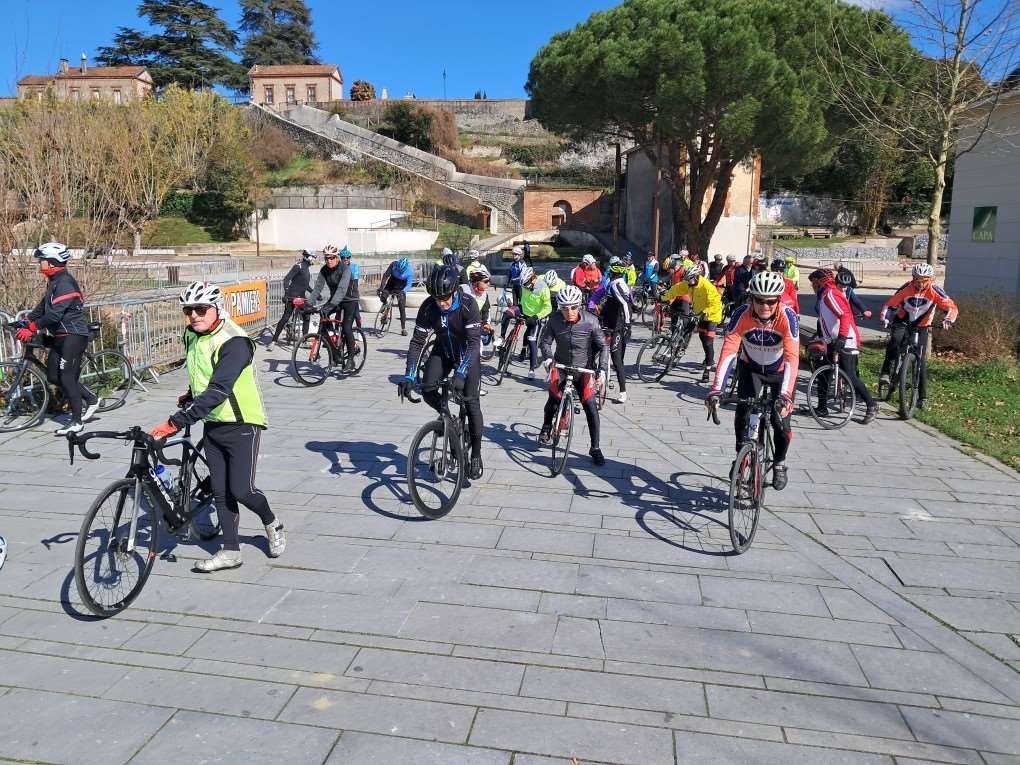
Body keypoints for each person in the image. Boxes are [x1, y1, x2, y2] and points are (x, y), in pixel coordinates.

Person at [150, 281, 284, 572]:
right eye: (188, 310)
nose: (194, 316)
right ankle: (231, 551)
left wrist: (174, 423)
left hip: (242, 423)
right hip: (212, 421)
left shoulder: (235, 342)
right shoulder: (192, 334)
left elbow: (219, 389)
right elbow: (202, 370)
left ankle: (272, 522)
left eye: (201, 309)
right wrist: (191, 393)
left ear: (217, 308)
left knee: (242, 490)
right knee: (221, 492)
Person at [706, 271, 799, 491]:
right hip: (751, 369)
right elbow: (729, 350)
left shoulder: (787, 317)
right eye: (759, 300)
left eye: (770, 301)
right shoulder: (742, 314)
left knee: (780, 423)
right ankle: (741, 456)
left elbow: (792, 357)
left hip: (779, 373)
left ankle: (779, 463)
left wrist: (785, 395)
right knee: (743, 414)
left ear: (778, 300)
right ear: (751, 298)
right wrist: (716, 389)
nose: (765, 306)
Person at [398, 265, 485, 480]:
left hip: (467, 354)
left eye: (445, 298)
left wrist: (461, 373)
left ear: (454, 291)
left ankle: (476, 454)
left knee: (471, 403)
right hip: (443, 350)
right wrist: (409, 375)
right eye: (437, 299)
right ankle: (449, 420)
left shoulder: (468, 304)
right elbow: (417, 342)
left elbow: (474, 344)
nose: (442, 303)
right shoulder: (429, 307)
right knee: (427, 389)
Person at [14, 242, 100, 435]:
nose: (39, 263)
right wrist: (25, 321)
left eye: (41, 260)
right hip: (60, 336)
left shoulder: (65, 284)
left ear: (52, 263)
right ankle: (91, 399)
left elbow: (54, 315)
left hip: (73, 336)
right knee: (54, 377)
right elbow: (42, 307)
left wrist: (32, 328)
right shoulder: (54, 282)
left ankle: (77, 422)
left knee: (67, 378)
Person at [538, 285, 609, 466]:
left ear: (580, 305)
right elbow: (545, 342)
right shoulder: (554, 320)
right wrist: (548, 358)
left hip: (583, 368)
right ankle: (547, 426)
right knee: (554, 398)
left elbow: (603, 346)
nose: (569, 312)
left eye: (573, 307)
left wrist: (602, 370)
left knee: (590, 406)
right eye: (564, 308)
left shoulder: (591, 321)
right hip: (561, 366)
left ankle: (595, 447)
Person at [878, 263, 958, 409]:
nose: (920, 283)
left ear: (931, 279)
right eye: (917, 280)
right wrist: (885, 318)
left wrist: (948, 320)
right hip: (902, 321)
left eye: (924, 280)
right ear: (913, 278)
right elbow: (890, 305)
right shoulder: (906, 288)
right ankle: (886, 373)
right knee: (895, 339)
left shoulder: (935, 290)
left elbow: (952, 307)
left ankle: (923, 398)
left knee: (920, 361)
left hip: (922, 326)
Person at [810, 269, 877, 424]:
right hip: (832, 340)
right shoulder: (827, 293)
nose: (812, 286)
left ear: (819, 282)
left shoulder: (830, 294)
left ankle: (871, 404)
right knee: (823, 373)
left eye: (813, 283)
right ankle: (822, 407)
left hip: (846, 340)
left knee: (849, 375)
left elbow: (845, 315)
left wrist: (842, 337)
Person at [660, 264, 724, 383]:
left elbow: (715, 304)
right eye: (687, 280)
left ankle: (707, 368)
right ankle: (682, 351)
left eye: (690, 280)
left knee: (708, 342)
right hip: (698, 313)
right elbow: (676, 289)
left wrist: (703, 314)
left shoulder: (707, 286)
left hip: (712, 316)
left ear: (696, 277)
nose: (688, 283)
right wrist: (664, 298)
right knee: (701, 338)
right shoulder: (689, 284)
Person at [589, 258, 633, 403]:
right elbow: (607, 301)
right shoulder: (617, 283)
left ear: (613, 273)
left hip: (616, 327)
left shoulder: (616, 285)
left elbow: (625, 304)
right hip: (607, 323)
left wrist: (627, 325)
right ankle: (617, 389)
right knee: (612, 358)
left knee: (615, 359)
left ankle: (622, 391)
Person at [496, 265, 552, 379]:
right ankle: (502, 337)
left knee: (531, 340)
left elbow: (548, 307)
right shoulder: (523, 283)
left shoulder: (543, 288)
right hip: (522, 309)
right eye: (523, 284)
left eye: (526, 283)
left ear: (532, 278)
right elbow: (516, 290)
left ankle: (531, 369)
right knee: (507, 313)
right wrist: (514, 304)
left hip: (534, 316)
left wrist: (536, 317)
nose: (524, 286)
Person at [310, 244, 359, 373]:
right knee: (323, 316)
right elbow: (317, 288)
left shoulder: (345, 269)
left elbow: (342, 289)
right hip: (335, 300)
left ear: (337, 257)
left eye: (331, 258)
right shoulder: (324, 270)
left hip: (350, 300)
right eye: (326, 258)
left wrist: (331, 305)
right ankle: (334, 349)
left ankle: (351, 360)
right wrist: (308, 304)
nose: (329, 260)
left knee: (347, 327)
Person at [271, 249, 316, 345]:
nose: (314, 260)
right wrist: (286, 294)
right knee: (285, 317)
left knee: (306, 316)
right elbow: (286, 279)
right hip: (292, 296)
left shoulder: (306, 269)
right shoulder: (298, 266)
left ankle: (304, 340)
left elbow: (305, 285)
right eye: (313, 257)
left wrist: (314, 293)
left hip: (301, 297)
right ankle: (274, 340)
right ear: (308, 257)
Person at [378, 256, 415, 336]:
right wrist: (381, 287)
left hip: (401, 288)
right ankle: (385, 305)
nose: (400, 271)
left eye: (401, 271)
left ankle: (403, 328)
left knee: (401, 307)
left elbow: (409, 285)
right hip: (391, 284)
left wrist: (403, 291)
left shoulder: (410, 271)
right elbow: (385, 276)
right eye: (398, 269)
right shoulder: (393, 264)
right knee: (383, 295)